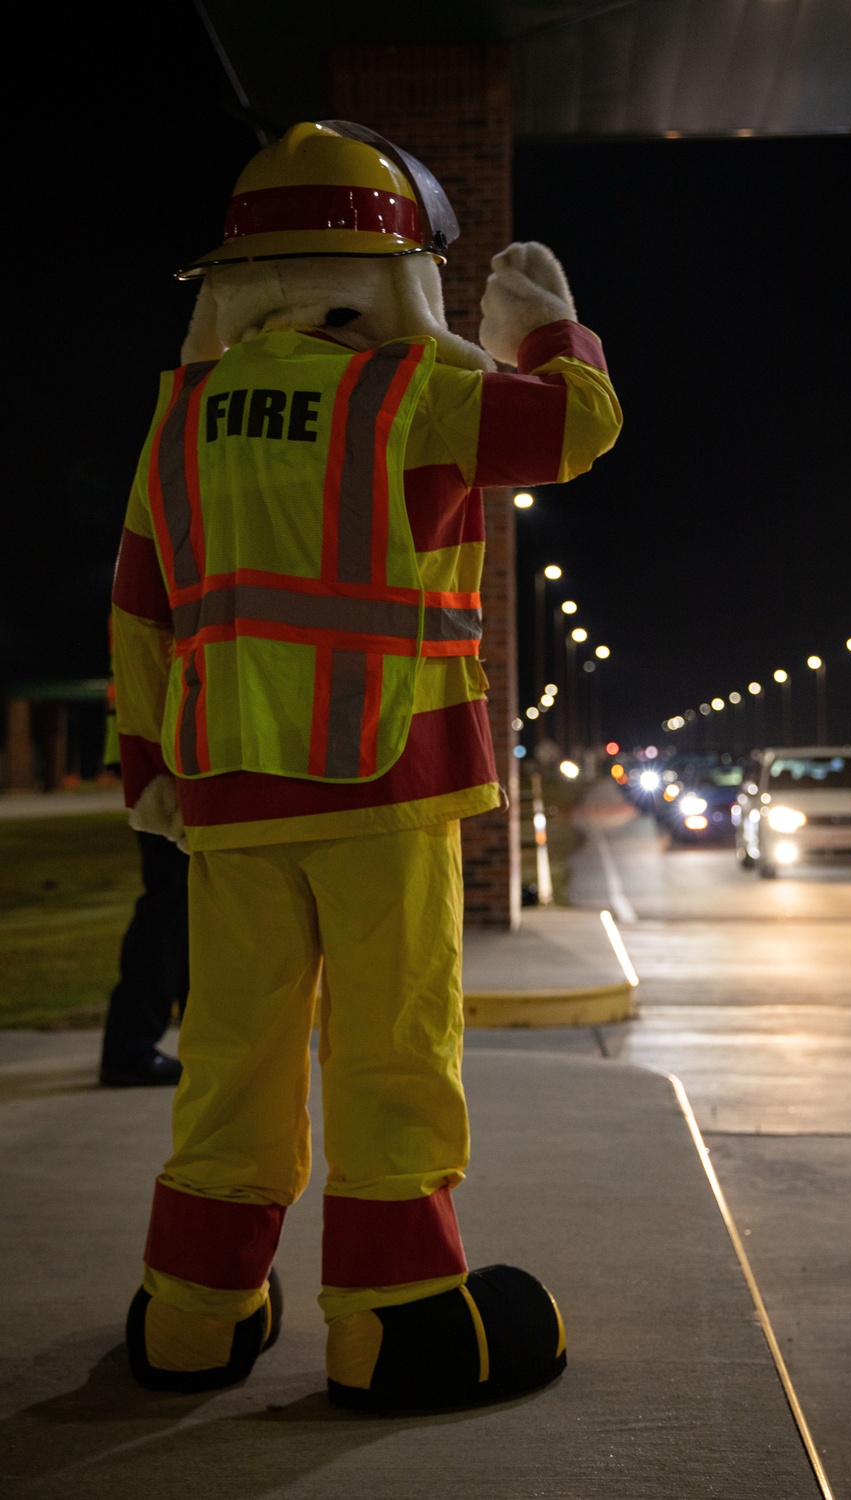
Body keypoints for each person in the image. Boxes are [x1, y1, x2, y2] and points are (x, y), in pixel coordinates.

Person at [113, 120, 622, 1411]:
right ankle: (393, 1319)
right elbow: (579, 429)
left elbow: (138, 604)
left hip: (226, 800)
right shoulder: (412, 397)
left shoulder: (181, 420)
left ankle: (193, 1309)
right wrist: (543, 323)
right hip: (382, 785)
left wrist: (144, 773)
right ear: (394, 277)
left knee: (234, 1055)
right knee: (392, 1051)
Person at [99, 625, 187, 1087]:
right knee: (173, 902)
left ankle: (190, 1035)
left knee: (186, 902)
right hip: (168, 740)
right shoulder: (164, 551)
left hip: (157, 733)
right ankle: (130, 1045)